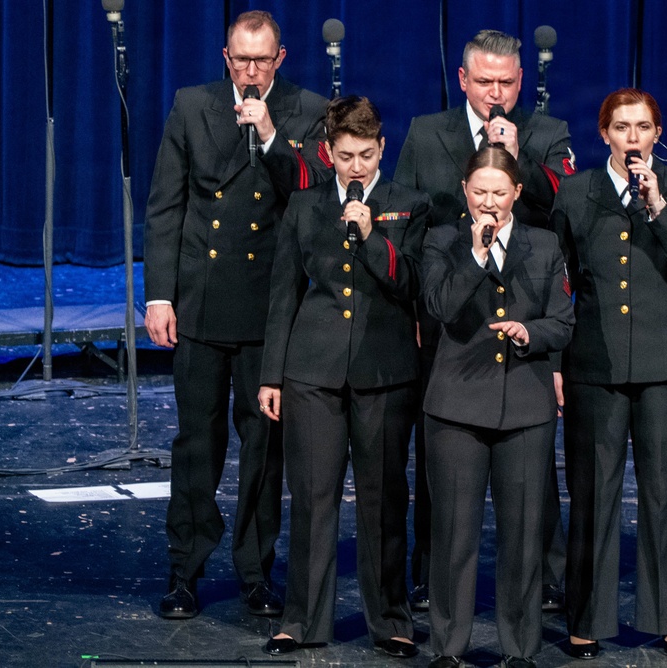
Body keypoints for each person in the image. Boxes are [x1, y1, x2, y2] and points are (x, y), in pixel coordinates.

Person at [143, 10, 332, 620]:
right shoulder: (192, 105)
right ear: (226, 58)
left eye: (262, 61)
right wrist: (159, 294)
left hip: (269, 306)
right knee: (196, 445)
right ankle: (185, 569)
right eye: (241, 60)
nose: (251, 72)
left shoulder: (307, 109)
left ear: (281, 58)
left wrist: (272, 135)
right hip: (201, 300)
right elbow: (166, 204)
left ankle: (256, 569)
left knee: (264, 448)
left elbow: (313, 192)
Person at [395, 29, 574, 613]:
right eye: (484, 81)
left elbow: (564, 213)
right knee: (442, 454)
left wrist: (521, 160)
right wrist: (414, 308)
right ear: (463, 79)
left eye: (506, 82)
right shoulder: (428, 132)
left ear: (521, 82)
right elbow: (410, 224)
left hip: (525, 318)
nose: (495, 93)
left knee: (531, 459)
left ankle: (547, 576)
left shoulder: (546, 133)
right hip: (450, 316)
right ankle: (432, 574)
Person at [257, 96, 429, 658]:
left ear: (383, 149)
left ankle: (392, 620)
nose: (358, 167)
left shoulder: (409, 203)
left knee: (384, 499)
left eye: (368, 155)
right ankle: (302, 620)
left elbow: (412, 285)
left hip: (384, 369)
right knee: (312, 496)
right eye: (347, 156)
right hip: (313, 369)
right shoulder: (304, 205)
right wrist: (272, 375)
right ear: (328, 153)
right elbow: (284, 292)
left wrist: (372, 235)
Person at [551, 89, 667, 660]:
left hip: (664, 364)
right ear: (605, 135)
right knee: (593, 492)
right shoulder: (577, 193)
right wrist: (556, 361)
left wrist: (658, 204)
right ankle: (587, 618)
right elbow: (560, 280)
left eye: (643, 127)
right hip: (595, 363)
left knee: (663, 491)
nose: (633, 137)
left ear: (656, 133)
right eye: (622, 127)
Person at [420, 146, 575, 668]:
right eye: (480, 192)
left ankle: (520, 648)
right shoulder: (442, 241)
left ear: (517, 193)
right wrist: (476, 256)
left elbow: (563, 322)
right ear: (465, 191)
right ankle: (449, 646)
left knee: (524, 535)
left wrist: (530, 332)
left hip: (525, 405)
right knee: (453, 533)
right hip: (457, 404)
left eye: (499, 193)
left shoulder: (544, 244)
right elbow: (440, 306)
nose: (489, 203)